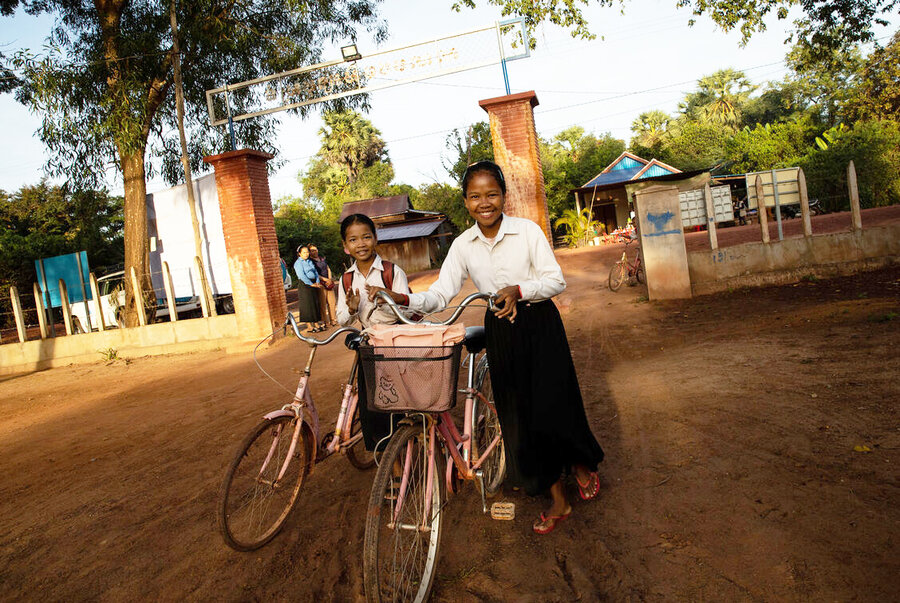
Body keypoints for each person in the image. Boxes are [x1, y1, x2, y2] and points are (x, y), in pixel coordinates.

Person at [367, 160, 604, 535]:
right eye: (475, 196)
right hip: (502, 332)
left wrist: (519, 290)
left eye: (491, 194)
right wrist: (402, 298)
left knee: (556, 402)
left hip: (540, 323)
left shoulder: (527, 232)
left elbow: (554, 279)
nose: (484, 203)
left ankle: (579, 464)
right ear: (465, 202)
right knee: (520, 415)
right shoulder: (462, 245)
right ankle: (557, 497)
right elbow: (442, 293)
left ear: (503, 196)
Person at [336, 213, 410, 452]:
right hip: (368, 348)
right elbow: (341, 320)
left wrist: (385, 300)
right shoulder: (346, 279)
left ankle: (405, 459)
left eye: (366, 237)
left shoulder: (391, 272)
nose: (361, 244)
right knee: (374, 406)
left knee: (398, 404)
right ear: (346, 246)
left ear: (376, 238)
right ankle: (390, 466)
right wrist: (351, 308)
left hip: (395, 345)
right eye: (354, 240)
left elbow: (407, 310)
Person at [293, 245, 326, 333]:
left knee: (314, 304)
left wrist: (317, 281)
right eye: (304, 252)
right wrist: (311, 284)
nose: (306, 254)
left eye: (307, 252)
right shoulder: (298, 263)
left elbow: (315, 271)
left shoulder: (309, 261)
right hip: (305, 285)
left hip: (314, 283)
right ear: (299, 254)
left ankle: (316, 324)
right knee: (307, 305)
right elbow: (302, 275)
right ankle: (309, 326)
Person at [309, 244, 337, 327]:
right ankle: (325, 321)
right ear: (310, 252)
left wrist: (330, 278)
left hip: (328, 282)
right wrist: (325, 280)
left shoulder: (322, 258)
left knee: (332, 302)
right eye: (313, 250)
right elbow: (315, 273)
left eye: (316, 249)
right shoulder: (311, 262)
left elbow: (328, 268)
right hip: (320, 283)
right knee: (323, 303)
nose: (315, 251)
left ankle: (333, 320)